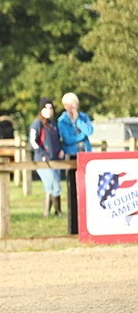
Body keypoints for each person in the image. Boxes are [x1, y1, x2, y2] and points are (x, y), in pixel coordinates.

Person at [58, 92, 94, 234]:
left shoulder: (83, 117)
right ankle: (74, 225)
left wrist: (78, 120)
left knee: (87, 188)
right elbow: (67, 140)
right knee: (73, 188)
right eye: (72, 105)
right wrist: (81, 136)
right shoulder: (62, 121)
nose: (74, 107)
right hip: (71, 155)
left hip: (86, 154)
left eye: (76, 105)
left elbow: (89, 131)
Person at [29, 97, 65, 217]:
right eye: (46, 108)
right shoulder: (37, 124)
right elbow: (33, 142)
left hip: (55, 160)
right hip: (43, 161)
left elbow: (57, 141)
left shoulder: (53, 124)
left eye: (51, 108)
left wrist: (60, 150)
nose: (49, 110)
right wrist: (43, 154)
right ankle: (51, 211)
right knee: (52, 183)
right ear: (41, 109)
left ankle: (54, 211)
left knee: (55, 184)